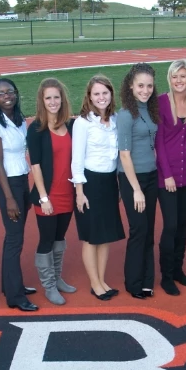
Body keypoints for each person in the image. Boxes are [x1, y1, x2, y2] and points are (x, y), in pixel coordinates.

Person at [0, 78, 38, 312]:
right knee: (15, 240)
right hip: (7, 184)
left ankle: (10, 285)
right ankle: (15, 297)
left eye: (10, 91)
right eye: (0, 93)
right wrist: (9, 198)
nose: (7, 95)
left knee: (14, 237)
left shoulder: (19, 121)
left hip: (21, 180)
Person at [72, 75, 124, 300]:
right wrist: (80, 192)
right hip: (90, 184)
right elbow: (76, 160)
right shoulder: (83, 123)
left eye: (105, 93)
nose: (101, 97)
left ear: (111, 94)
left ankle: (102, 280)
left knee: (105, 236)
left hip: (109, 182)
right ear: (89, 97)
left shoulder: (115, 120)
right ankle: (94, 283)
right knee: (92, 237)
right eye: (96, 94)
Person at [27, 78, 78, 306]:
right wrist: (43, 197)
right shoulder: (36, 129)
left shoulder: (72, 125)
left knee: (60, 238)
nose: (53, 101)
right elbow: (35, 166)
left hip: (68, 193)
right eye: (48, 98)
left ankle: (57, 278)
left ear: (62, 99)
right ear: (42, 100)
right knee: (46, 240)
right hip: (47, 196)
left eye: (56, 97)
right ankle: (48, 285)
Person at [116, 63, 161, 299]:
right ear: (131, 86)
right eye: (140, 85)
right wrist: (136, 190)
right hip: (132, 179)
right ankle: (133, 282)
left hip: (151, 175)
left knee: (149, 230)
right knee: (138, 230)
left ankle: (147, 279)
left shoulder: (150, 109)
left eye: (149, 86)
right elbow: (124, 155)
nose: (145, 90)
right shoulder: (125, 114)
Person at [155, 59, 186, 296]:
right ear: (169, 79)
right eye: (174, 76)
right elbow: (159, 142)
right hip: (167, 175)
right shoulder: (161, 102)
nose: (179, 81)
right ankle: (167, 276)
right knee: (170, 225)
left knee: (182, 224)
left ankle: (179, 269)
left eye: (183, 76)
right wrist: (167, 175)